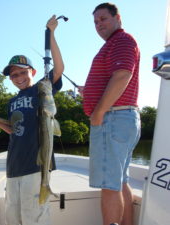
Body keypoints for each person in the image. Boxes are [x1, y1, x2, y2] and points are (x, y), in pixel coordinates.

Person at [0, 15, 64, 225]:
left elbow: (59, 68)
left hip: (35, 165)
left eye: (22, 72)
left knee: (33, 217)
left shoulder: (41, 90)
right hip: (13, 166)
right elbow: (14, 129)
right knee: (13, 217)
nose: (19, 78)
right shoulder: (12, 101)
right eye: (14, 76)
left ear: (33, 72)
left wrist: (51, 34)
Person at [78, 3, 141, 225]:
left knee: (109, 185)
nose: (99, 25)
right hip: (121, 119)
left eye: (103, 19)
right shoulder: (116, 44)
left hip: (112, 119)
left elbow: (123, 75)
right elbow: (115, 76)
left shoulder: (122, 40)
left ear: (118, 18)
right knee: (119, 182)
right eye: (95, 22)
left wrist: (99, 111)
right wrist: (90, 92)